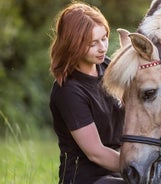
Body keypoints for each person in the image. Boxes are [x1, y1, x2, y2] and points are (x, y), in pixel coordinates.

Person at [49, 2, 126, 184]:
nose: (102, 47)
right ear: (73, 44)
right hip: (87, 178)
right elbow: (96, 153)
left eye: (104, 38)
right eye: (93, 43)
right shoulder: (68, 91)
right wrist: (144, 169)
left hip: (120, 172)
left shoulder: (107, 68)